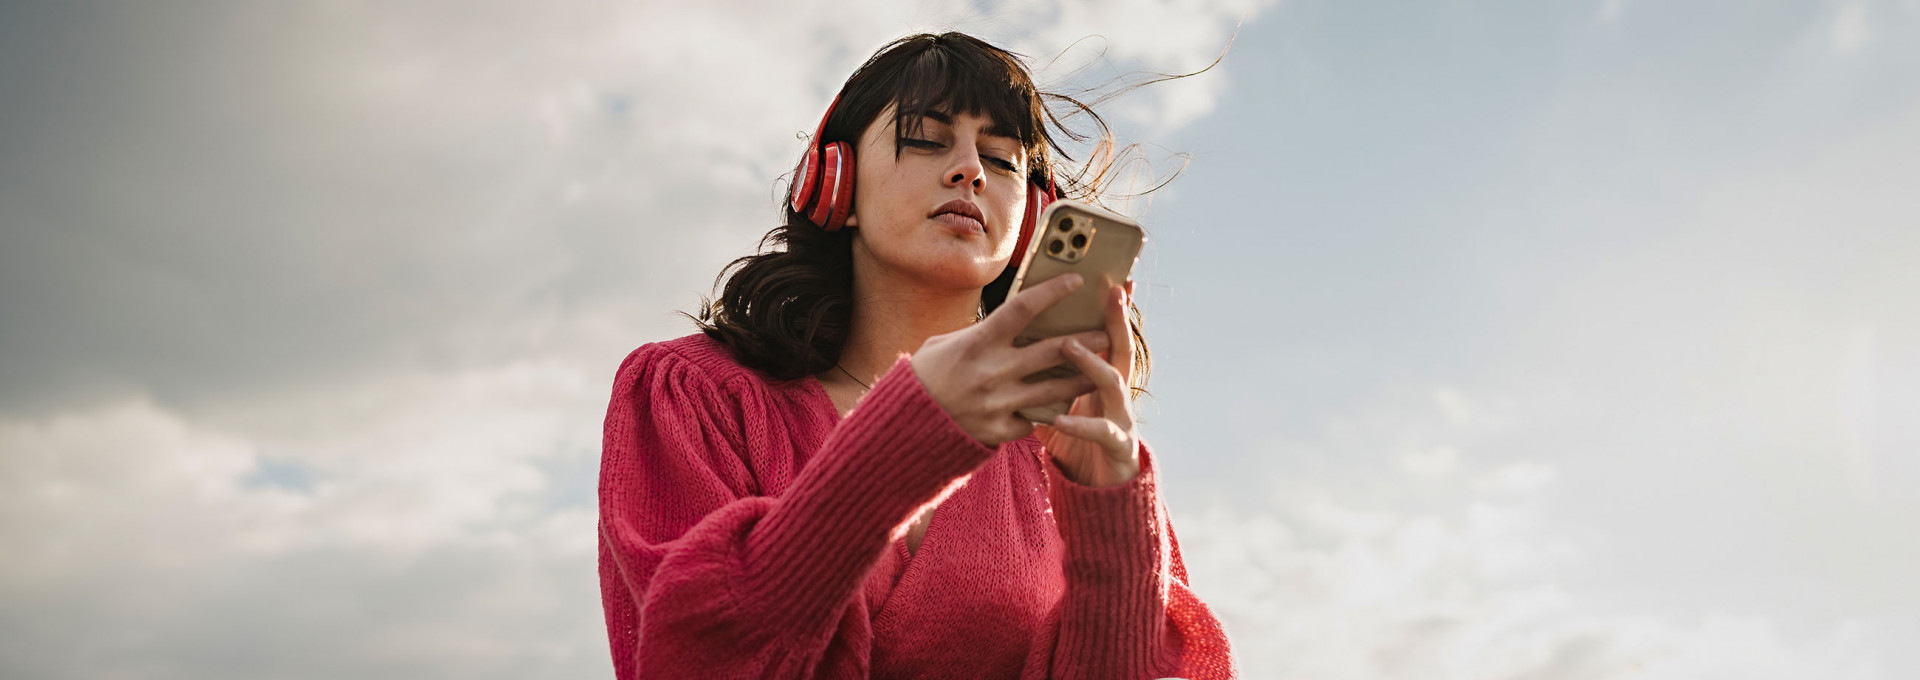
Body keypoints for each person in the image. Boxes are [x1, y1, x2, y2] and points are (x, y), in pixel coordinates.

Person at [598, 32, 1235, 679]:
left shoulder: (1062, 460)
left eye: (1003, 158)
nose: (970, 171)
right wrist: (910, 436)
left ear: (1031, 215)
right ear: (834, 182)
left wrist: (1110, 518)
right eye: (927, 140)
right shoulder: (693, 394)